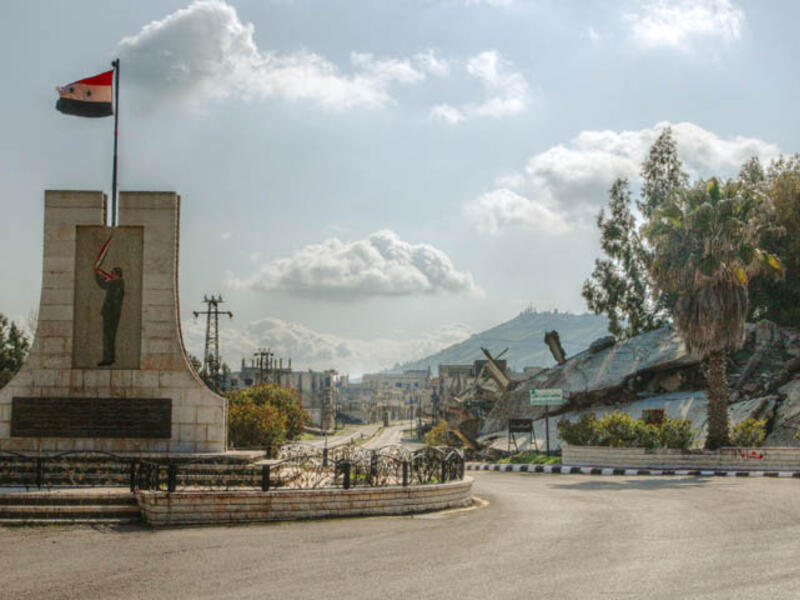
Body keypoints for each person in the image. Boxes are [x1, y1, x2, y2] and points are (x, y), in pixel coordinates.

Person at [95, 266, 124, 366]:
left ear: (116, 274)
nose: (111, 274)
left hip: (110, 314)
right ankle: (110, 358)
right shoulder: (118, 283)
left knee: (108, 337)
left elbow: (103, 285)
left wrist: (97, 275)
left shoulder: (116, 283)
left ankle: (107, 359)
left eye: (112, 273)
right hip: (113, 313)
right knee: (110, 337)